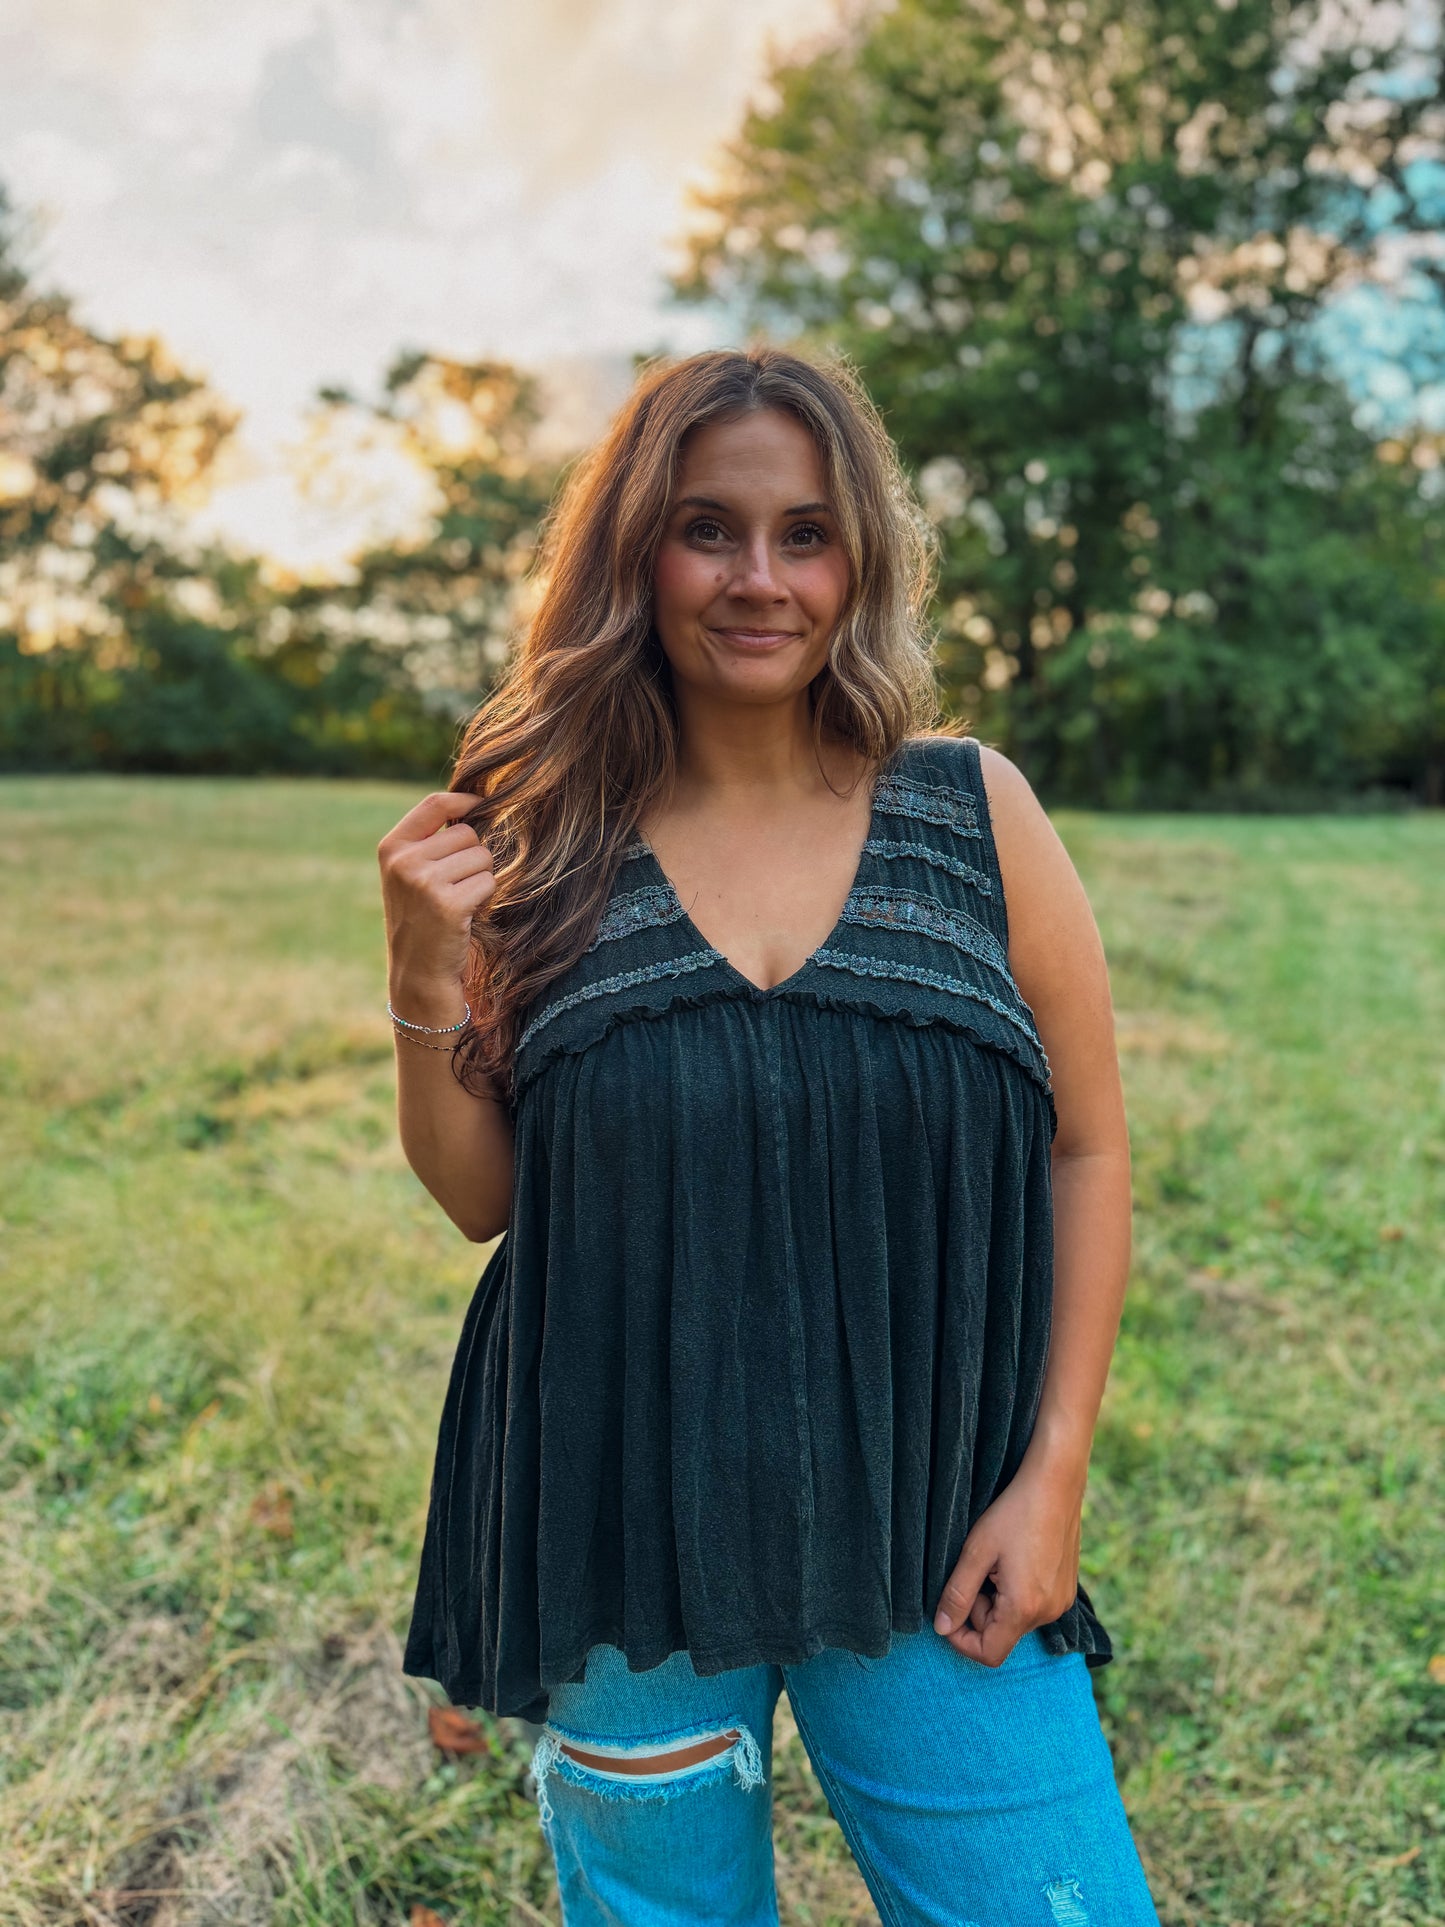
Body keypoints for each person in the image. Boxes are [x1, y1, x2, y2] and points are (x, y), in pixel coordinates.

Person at [380, 346, 1160, 1925]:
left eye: (803, 532)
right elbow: (481, 1203)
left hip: (936, 1515)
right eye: (706, 527)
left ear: (856, 555)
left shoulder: (971, 811)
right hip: (618, 1521)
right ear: (633, 553)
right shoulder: (540, 842)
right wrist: (416, 976)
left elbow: (1086, 1150)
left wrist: (1053, 1471)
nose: (759, 577)